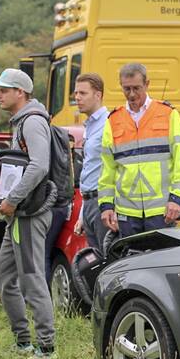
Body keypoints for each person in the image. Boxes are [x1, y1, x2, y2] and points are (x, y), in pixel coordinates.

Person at [0, 68, 58, 359]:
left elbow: (39, 165)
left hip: (29, 214)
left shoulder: (32, 122)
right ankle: (22, 342)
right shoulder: (21, 122)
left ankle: (46, 347)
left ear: (20, 92)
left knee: (32, 278)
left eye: (4, 90)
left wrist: (13, 200)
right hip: (19, 214)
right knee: (2, 277)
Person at [99, 63, 180, 238]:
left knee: (161, 264)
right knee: (131, 264)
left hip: (162, 210)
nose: (132, 94)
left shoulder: (168, 114)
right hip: (127, 213)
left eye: (136, 88)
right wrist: (106, 206)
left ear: (147, 84)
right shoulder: (113, 120)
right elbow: (107, 169)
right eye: (126, 89)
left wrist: (176, 198)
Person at [72, 72, 109, 256]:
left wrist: (111, 207)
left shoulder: (108, 124)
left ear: (98, 95)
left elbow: (115, 168)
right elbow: (89, 168)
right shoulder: (90, 126)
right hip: (89, 203)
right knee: (97, 262)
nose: (77, 97)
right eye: (76, 93)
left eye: (82, 93)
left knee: (108, 260)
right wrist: (82, 214)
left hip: (103, 202)